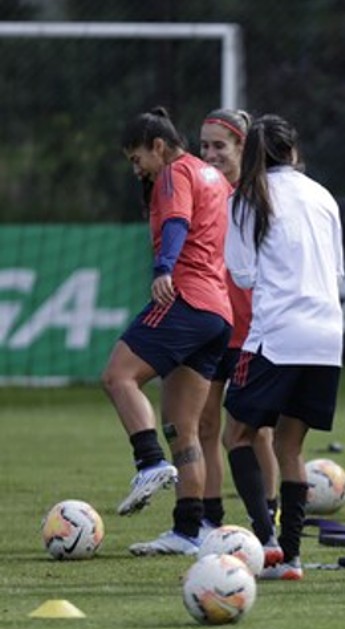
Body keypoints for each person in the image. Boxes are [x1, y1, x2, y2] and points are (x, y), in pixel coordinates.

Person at [223, 114, 345, 581]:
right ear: (293, 151)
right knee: (291, 447)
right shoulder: (323, 196)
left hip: (277, 335)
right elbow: (336, 274)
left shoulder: (248, 197)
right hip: (327, 339)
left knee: (237, 435)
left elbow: (244, 275)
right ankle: (290, 559)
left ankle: (265, 539)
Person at [108, 107, 233, 556]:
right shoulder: (213, 176)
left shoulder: (175, 173)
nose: (135, 166)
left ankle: (149, 462)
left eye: (136, 156)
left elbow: (177, 222)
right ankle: (188, 531)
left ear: (158, 146)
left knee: (118, 376)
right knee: (185, 427)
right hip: (218, 313)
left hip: (186, 296)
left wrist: (164, 268)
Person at [196, 108, 281, 558]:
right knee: (204, 425)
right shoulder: (196, 196)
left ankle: (267, 520)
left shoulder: (260, 197)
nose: (210, 155)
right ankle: (208, 520)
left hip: (253, 332)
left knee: (255, 433)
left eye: (219, 146)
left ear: (243, 149)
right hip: (211, 328)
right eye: (203, 146)